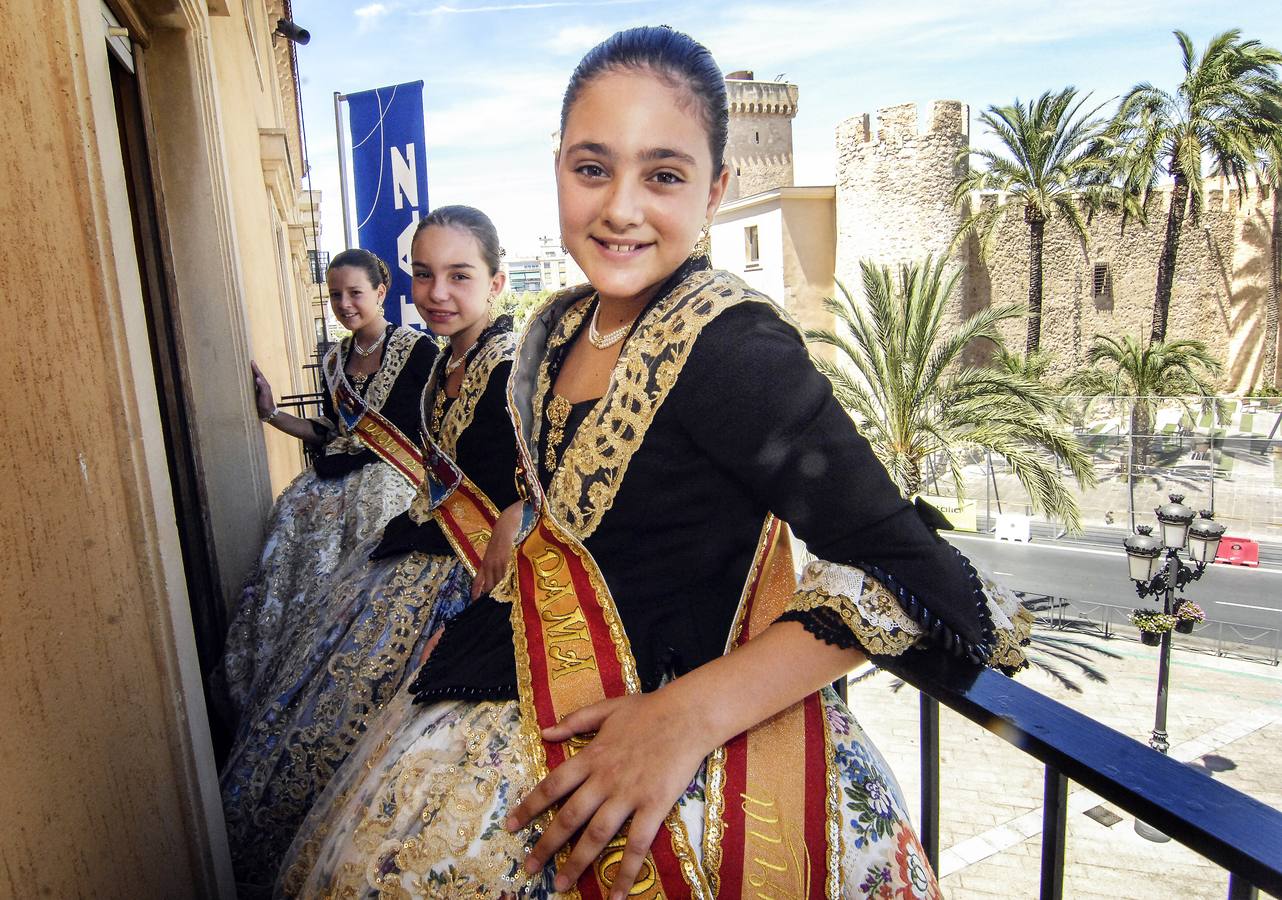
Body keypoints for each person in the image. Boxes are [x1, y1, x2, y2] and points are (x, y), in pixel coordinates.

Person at [280, 28, 1029, 899]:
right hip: (514, 684)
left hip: (678, 750)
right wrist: (529, 510)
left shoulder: (732, 347)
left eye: (664, 175)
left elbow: (919, 572)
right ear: (556, 166)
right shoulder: (557, 327)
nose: (621, 208)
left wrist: (685, 718)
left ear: (715, 190)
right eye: (592, 169)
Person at [221, 207, 521, 891]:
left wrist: (512, 521)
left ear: (498, 281)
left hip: (462, 577)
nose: (437, 292)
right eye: (424, 274)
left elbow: (542, 479)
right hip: (415, 549)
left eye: (458, 275)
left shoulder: (514, 369)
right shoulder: (453, 356)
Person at [217, 249, 436, 724]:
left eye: (355, 293)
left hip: (391, 481)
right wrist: (271, 414)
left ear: (380, 292)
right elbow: (330, 432)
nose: (345, 304)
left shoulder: (420, 351)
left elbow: (435, 427)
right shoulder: (334, 358)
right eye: (335, 295)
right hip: (330, 481)